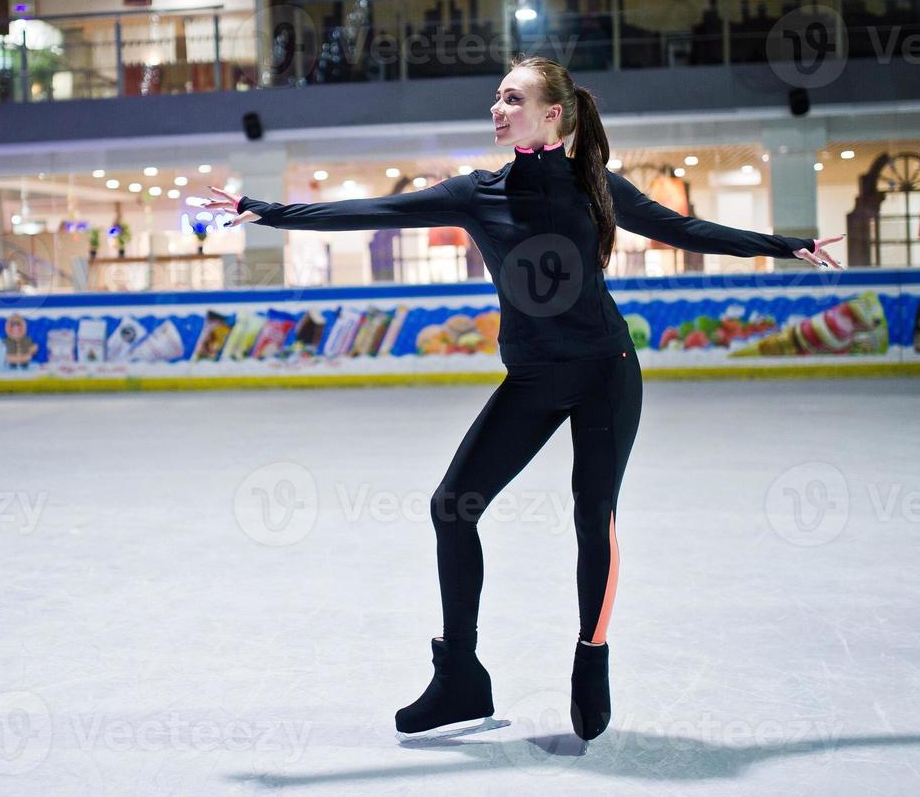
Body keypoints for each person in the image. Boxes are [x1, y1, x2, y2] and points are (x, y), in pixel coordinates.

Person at [198, 55, 844, 745]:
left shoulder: (596, 187)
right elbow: (365, 211)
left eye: (511, 99)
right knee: (452, 507)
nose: (496, 110)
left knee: (592, 516)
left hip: (604, 371)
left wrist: (785, 245)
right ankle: (460, 676)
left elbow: (685, 231)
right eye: (495, 99)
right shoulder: (475, 193)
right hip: (533, 380)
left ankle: (589, 659)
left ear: (552, 115)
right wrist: (263, 209)